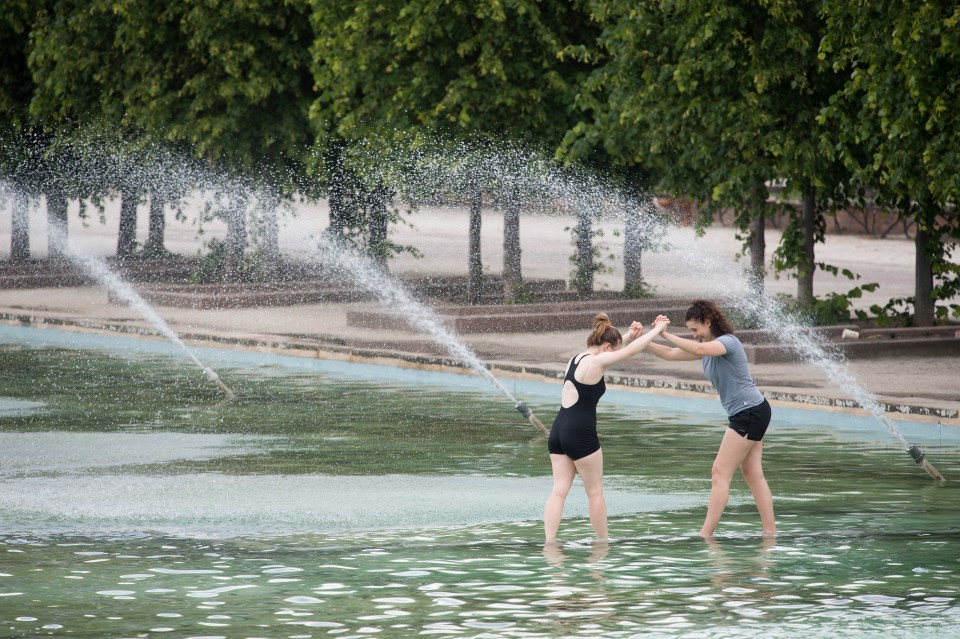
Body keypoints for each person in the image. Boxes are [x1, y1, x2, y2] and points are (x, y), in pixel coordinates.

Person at [644, 300, 775, 539]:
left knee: (719, 472)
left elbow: (699, 350)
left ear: (708, 322)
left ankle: (705, 534)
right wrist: (642, 338)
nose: (694, 336)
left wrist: (665, 333)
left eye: (696, 330)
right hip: (753, 411)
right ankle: (770, 532)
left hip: (748, 412)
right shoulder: (704, 346)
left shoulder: (727, 342)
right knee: (752, 473)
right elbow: (670, 354)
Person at [544, 312, 668, 543]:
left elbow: (620, 348)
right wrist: (656, 330)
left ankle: (549, 543)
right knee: (595, 491)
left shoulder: (577, 358)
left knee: (559, 491)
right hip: (581, 433)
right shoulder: (596, 362)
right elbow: (629, 352)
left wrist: (629, 334)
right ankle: (602, 544)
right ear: (608, 347)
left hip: (558, 431)